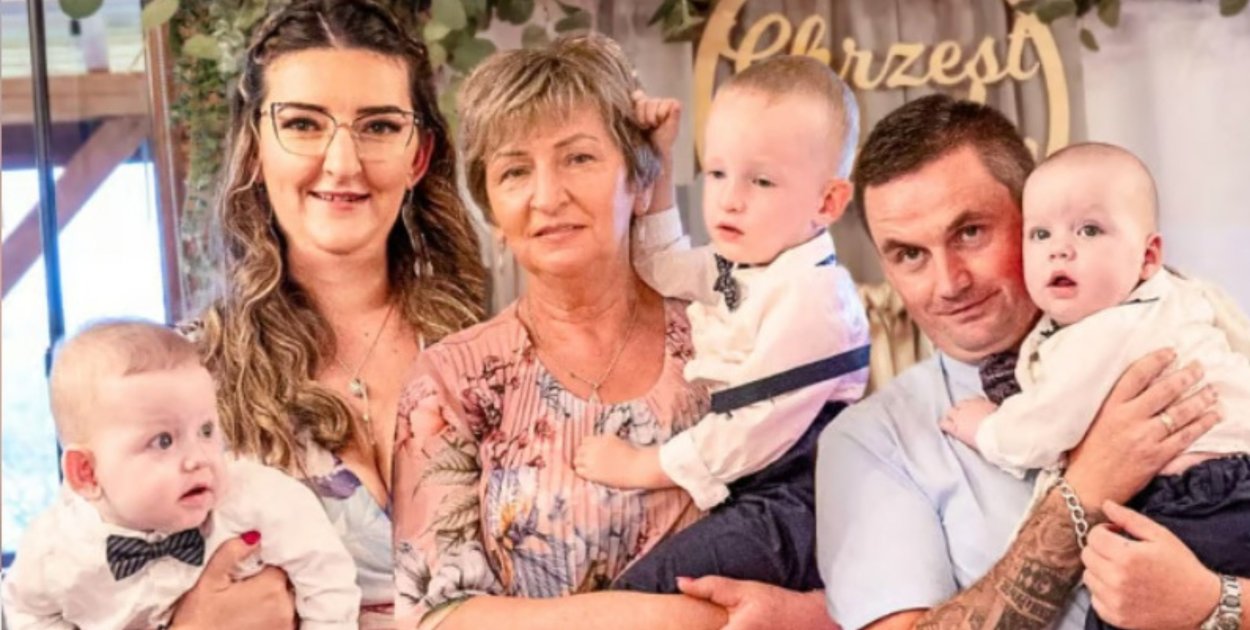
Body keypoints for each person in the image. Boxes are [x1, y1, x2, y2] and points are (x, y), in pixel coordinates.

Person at [390, 34, 833, 630]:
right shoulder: (453, 380)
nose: (548, 196)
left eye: (579, 158)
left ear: (640, 181)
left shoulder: (734, 329)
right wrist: (689, 623)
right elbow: (436, 617)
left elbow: (847, 540)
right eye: (515, 171)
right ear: (493, 214)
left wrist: (803, 614)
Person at [816, 93, 1245, 630]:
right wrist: (1089, 484)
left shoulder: (1186, 323)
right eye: (910, 254)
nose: (949, 283)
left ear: (1031, 217)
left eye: (970, 232)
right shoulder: (873, 443)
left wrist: (1218, 601)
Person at [167, 1, 486, 627]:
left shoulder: (488, 348)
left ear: (418, 155)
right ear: (255, 149)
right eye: (304, 124)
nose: (342, 163)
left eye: (379, 126)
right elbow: (72, 585)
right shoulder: (184, 380)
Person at [572, 55, 870, 594]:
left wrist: (642, 466)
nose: (730, 199)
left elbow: (754, 425)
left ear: (827, 201)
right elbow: (660, 266)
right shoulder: (745, 263)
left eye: (762, 180)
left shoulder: (815, 296)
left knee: (645, 592)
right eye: (716, 173)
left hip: (801, 502)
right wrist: (661, 159)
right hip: (751, 489)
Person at [938, 141, 1250, 629]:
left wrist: (986, 429)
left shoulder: (1105, 331)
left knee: (1121, 602)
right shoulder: (1180, 295)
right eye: (1040, 233)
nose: (1060, 248)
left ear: (1147, 256)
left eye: (1089, 230)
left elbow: (1042, 428)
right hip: (1232, 482)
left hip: (1196, 498)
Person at [1, 320, 360, 629]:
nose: (197, 459)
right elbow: (27, 613)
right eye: (163, 441)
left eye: (206, 431)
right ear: (87, 473)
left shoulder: (258, 499)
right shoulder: (54, 550)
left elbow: (325, 572)